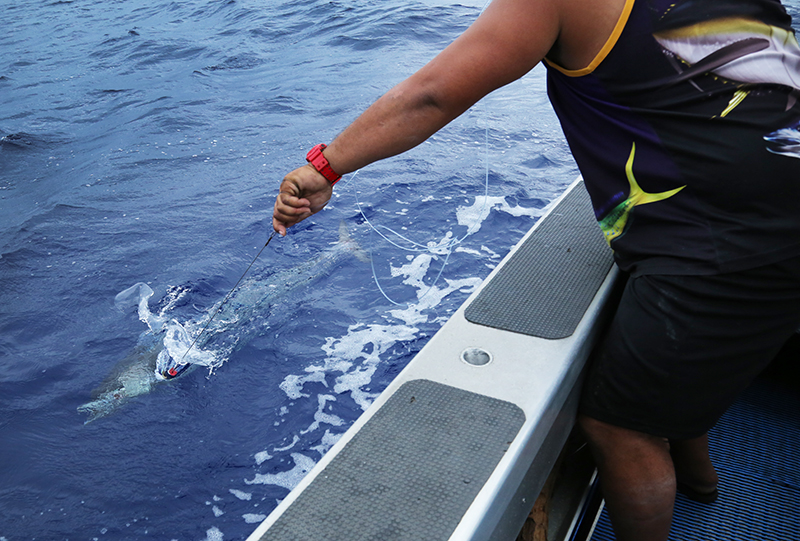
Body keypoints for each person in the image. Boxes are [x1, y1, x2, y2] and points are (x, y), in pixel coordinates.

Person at [273, 0, 800, 538]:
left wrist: (325, 165)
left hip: (730, 238)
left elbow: (431, 95)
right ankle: (698, 480)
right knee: (675, 359)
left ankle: (689, 484)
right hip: (775, 205)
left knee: (619, 427)